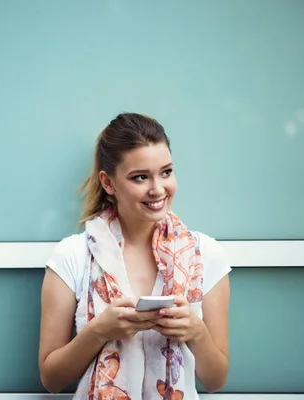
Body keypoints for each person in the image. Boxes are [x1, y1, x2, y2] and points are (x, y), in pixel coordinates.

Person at [38, 113, 231, 400]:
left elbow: (215, 380)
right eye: (140, 177)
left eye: (166, 172)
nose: (157, 189)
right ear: (108, 183)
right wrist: (99, 332)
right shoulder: (73, 256)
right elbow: (51, 379)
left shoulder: (206, 255)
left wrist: (196, 333)